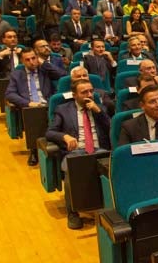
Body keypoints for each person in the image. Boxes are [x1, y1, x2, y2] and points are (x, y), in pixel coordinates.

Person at [46, 79, 112, 229]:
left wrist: (99, 112)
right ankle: (73, 212)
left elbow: (112, 129)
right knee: (72, 170)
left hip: (99, 151)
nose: (89, 95)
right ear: (74, 95)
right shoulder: (63, 109)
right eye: (84, 92)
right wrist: (64, 137)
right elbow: (50, 132)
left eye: (90, 91)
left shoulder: (100, 108)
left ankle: (110, 211)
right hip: (76, 152)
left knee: (112, 170)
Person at [4, 48, 66, 165]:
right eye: (28, 60)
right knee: (34, 113)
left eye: (34, 58)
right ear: (22, 61)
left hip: (48, 103)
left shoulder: (44, 70)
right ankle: (34, 150)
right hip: (31, 106)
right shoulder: (17, 74)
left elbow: (62, 75)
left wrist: (44, 63)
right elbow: (9, 94)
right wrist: (28, 103)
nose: (32, 62)